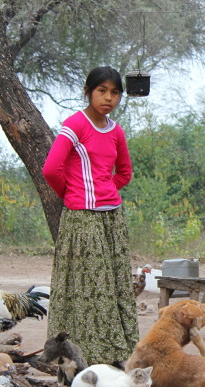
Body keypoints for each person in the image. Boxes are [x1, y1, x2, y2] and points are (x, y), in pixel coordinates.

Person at [42, 66, 138, 366]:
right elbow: (50, 170)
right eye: (102, 91)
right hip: (82, 216)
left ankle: (115, 351)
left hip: (111, 217)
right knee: (87, 285)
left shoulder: (116, 131)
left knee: (113, 282)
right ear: (88, 91)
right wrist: (71, 194)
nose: (108, 98)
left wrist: (107, 187)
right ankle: (82, 352)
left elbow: (124, 172)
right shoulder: (75, 125)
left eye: (114, 93)